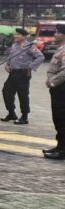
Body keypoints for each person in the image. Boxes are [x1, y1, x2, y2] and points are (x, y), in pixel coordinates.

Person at [0, 28, 45, 125]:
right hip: (13, 73)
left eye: (18, 35)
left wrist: (30, 67)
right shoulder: (14, 45)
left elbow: (40, 57)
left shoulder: (29, 46)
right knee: (6, 92)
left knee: (23, 95)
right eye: (15, 34)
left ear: (24, 37)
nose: (16, 36)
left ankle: (24, 117)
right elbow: (11, 56)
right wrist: (7, 65)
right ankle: (11, 113)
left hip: (23, 74)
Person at [43, 24, 65, 159]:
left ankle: (62, 151)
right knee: (58, 119)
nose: (55, 34)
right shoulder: (61, 49)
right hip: (58, 89)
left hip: (62, 89)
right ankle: (59, 146)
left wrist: (52, 81)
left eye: (57, 32)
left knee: (62, 119)